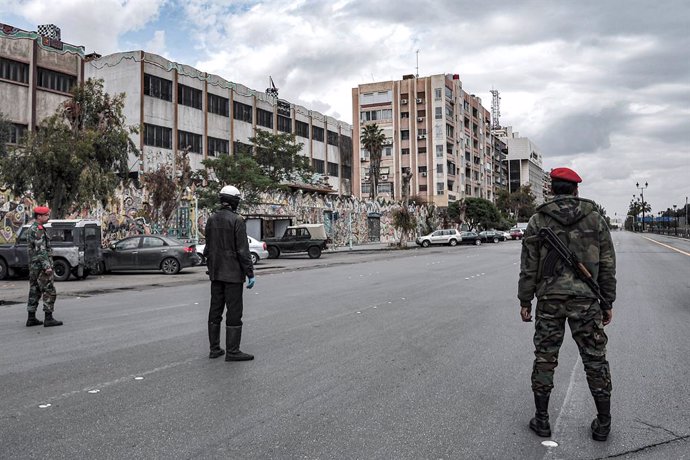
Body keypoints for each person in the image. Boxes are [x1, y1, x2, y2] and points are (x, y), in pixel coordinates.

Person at [518, 167, 616, 441]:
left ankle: (542, 420)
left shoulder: (538, 220)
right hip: (586, 301)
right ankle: (604, 423)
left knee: (545, 358)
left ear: (551, 189)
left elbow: (529, 266)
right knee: (595, 359)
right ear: (576, 190)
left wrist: (525, 299)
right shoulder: (595, 219)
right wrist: (607, 301)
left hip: (549, 300)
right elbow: (608, 265)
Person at [203, 185, 256, 361]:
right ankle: (233, 351)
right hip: (233, 275)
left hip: (216, 274)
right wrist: (250, 273)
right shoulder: (237, 220)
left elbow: (208, 248)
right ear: (234, 201)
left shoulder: (211, 219)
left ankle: (215, 349)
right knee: (234, 312)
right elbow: (243, 250)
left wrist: (211, 268)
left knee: (215, 310)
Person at [26, 206, 63, 327]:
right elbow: (41, 249)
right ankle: (48, 318)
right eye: (46, 215)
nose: (48, 217)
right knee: (49, 290)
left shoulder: (32, 228)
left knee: (34, 290)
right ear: (39, 216)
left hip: (34, 266)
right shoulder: (38, 230)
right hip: (41, 267)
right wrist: (47, 266)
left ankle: (31, 318)